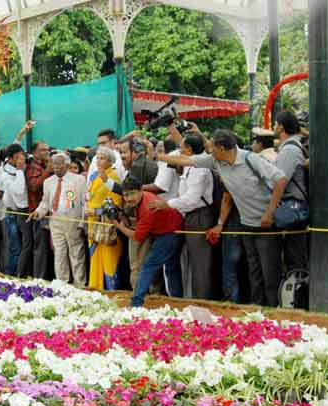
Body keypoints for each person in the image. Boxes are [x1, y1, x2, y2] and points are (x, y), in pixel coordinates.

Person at [163, 129, 289, 307]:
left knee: (270, 271)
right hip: (247, 224)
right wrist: (159, 157)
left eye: (212, 146)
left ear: (222, 148)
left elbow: (281, 179)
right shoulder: (215, 160)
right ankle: (258, 308)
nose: (209, 149)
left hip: (266, 225)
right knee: (253, 270)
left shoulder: (250, 159)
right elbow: (186, 159)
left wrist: (270, 212)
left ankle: (274, 309)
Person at [153, 134, 218, 300]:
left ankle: (202, 301)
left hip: (200, 217)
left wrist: (167, 204)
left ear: (189, 150)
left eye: (181, 147)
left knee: (200, 263)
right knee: (190, 262)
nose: (179, 151)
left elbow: (192, 198)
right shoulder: (190, 165)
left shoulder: (199, 168)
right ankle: (192, 298)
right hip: (191, 216)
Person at [115, 177, 184, 307]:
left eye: (132, 193)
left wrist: (119, 226)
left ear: (141, 190)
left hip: (169, 233)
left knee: (148, 266)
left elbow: (136, 237)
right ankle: (177, 301)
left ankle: (136, 302)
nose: (129, 198)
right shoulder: (143, 199)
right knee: (171, 268)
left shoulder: (148, 207)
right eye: (125, 195)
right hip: (170, 229)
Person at [30, 152, 88, 285]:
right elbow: (45, 202)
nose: (56, 167)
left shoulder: (78, 180)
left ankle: (79, 284)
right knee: (59, 254)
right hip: (55, 221)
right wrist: (38, 212)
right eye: (54, 164)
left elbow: (85, 203)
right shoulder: (48, 182)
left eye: (60, 164)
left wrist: (82, 222)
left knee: (76, 254)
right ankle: (62, 283)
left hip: (73, 220)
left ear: (67, 165)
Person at [118, 139, 159, 289]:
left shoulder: (137, 166)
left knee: (137, 264)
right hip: (151, 222)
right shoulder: (150, 164)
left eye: (124, 153)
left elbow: (132, 198)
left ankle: (138, 296)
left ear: (134, 153)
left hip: (139, 222)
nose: (122, 158)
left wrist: (122, 219)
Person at [273, 111, 309, 272]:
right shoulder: (294, 147)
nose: (274, 127)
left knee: (294, 256)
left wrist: (271, 208)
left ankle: (298, 294)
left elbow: (280, 180)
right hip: (294, 206)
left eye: (275, 124)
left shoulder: (289, 150)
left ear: (281, 127)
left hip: (292, 206)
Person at [86, 147, 124, 290]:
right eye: (97, 157)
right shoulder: (93, 175)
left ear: (110, 161)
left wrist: (96, 211)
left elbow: (117, 204)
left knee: (109, 261)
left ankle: (111, 291)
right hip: (92, 224)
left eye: (102, 157)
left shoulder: (113, 177)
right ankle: (95, 288)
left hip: (108, 225)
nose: (98, 160)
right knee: (94, 258)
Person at [0, 144, 30, 276]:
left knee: (23, 245)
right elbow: (19, 191)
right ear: (10, 158)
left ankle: (19, 272)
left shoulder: (22, 168)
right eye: (17, 157)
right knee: (15, 247)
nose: (21, 160)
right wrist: (8, 199)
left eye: (22, 157)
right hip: (12, 213)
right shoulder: (5, 173)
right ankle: (11, 274)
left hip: (22, 212)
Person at [26, 141, 52, 278]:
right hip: (37, 213)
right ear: (35, 152)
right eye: (43, 150)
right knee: (40, 248)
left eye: (47, 149)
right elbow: (33, 186)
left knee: (48, 248)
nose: (47, 152)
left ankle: (46, 276)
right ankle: (39, 278)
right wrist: (48, 171)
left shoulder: (43, 166)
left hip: (49, 213)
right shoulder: (32, 167)